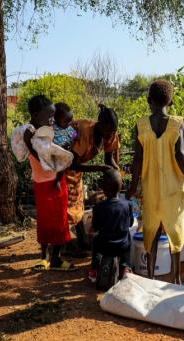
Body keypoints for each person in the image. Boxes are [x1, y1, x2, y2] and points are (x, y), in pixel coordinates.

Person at [127, 79, 184, 285]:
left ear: (149, 100)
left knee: (151, 230)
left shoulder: (141, 126)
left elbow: (137, 160)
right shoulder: (177, 123)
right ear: (171, 100)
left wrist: (133, 186)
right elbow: (180, 156)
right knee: (175, 230)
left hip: (150, 188)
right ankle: (175, 278)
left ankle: (150, 278)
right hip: (174, 188)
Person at [21, 95, 73, 271]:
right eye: (49, 116)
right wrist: (28, 142)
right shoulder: (28, 132)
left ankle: (56, 258)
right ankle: (44, 257)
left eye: (53, 116)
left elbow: (54, 162)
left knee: (59, 220)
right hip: (41, 183)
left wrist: (59, 179)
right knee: (44, 221)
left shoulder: (49, 132)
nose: (53, 120)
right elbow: (38, 158)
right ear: (36, 116)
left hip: (57, 182)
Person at [65, 104, 120, 256]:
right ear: (100, 125)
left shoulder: (110, 133)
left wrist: (117, 174)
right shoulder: (83, 130)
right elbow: (73, 162)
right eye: (108, 131)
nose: (110, 135)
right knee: (67, 206)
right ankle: (68, 245)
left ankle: (82, 240)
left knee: (78, 204)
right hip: (62, 167)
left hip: (77, 170)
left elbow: (109, 160)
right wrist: (99, 168)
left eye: (113, 131)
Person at [88, 169, 133, 283]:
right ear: (121, 185)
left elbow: (96, 226)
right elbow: (131, 223)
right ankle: (125, 267)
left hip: (104, 246)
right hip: (121, 246)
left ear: (103, 188)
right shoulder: (127, 204)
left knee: (95, 239)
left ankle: (94, 268)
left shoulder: (98, 207)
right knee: (128, 236)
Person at [52, 102, 78, 190]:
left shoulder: (68, 127)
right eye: (65, 121)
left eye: (70, 120)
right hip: (58, 151)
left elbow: (75, 136)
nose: (69, 123)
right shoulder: (54, 128)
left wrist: (76, 133)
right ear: (56, 120)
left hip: (67, 150)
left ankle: (59, 180)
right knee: (61, 161)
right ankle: (58, 180)